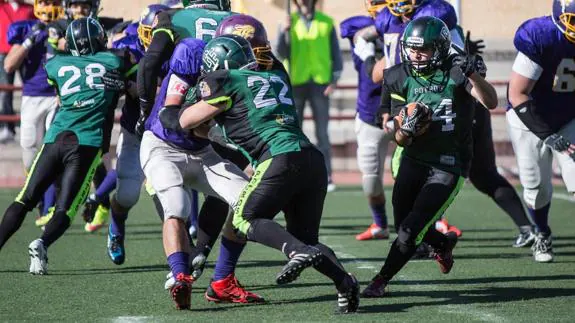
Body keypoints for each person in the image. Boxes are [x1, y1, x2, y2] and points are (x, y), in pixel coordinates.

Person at [177, 34, 360, 314]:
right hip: (311, 159)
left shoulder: (228, 79)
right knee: (306, 239)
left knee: (243, 218)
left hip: (279, 158)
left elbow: (186, 121)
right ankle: (345, 283)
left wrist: (192, 103)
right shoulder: (274, 76)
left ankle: (294, 252)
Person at [356, 0, 535, 245]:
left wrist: (365, 52)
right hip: (431, 103)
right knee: (419, 168)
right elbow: (391, 73)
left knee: (459, 171)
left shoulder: (434, 17)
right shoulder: (395, 25)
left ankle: (426, 230)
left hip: (453, 103)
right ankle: (424, 231)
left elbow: (457, 71)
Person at [361, 16, 498, 297]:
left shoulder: (457, 70)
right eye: (412, 48)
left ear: (440, 48)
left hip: (450, 162)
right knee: (403, 223)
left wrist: (473, 74)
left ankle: (380, 280)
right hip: (413, 156)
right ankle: (443, 243)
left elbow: (491, 102)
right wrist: (407, 130)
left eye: (423, 49)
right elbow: (397, 136)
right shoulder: (397, 75)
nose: (416, 55)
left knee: (410, 230)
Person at [0, 17, 129, 274]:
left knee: (24, 199)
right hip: (87, 143)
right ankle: (42, 242)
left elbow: (60, 89)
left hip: (56, 138)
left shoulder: (56, 64)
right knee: (66, 209)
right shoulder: (112, 61)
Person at [506, 0, 575, 263]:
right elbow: (517, 92)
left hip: (569, 115)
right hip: (529, 117)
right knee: (536, 188)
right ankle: (541, 232)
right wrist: (546, 134)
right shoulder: (541, 35)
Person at [276, 0, 342, 192]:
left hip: (320, 83)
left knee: (323, 132)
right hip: (296, 82)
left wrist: (334, 80)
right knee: (295, 130)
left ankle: (327, 175)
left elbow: (336, 54)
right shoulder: (289, 22)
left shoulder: (326, 22)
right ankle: (297, 172)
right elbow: (281, 53)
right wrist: (283, 32)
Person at [340, 0, 390, 241]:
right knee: (371, 181)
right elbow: (351, 30)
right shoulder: (363, 25)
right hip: (371, 113)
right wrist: (384, 26)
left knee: (420, 174)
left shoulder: (411, 24)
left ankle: (435, 224)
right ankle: (380, 224)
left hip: (405, 110)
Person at [0, 0, 34, 143]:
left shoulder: (30, 9)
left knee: (30, 89)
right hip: (4, 53)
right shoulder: (2, 6)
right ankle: (8, 127)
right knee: (5, 92)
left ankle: (30, 125)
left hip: (24, 53)